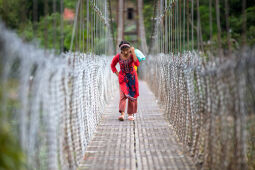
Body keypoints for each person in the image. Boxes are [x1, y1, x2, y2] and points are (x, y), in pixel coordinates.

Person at [110, 41, 140, 121]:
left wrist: (133, 53)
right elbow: (112, 65)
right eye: (124, 50)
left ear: (129, 49)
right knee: (123, 96)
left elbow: (137, 64)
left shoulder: (131, 54)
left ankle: (130, 114)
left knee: (131, 96)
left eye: (127, 49)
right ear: (121, 50)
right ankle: (122, 114)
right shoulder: (118, 57)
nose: (126, 52)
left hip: (132, 78)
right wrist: (117, 74)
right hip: (123, 78)